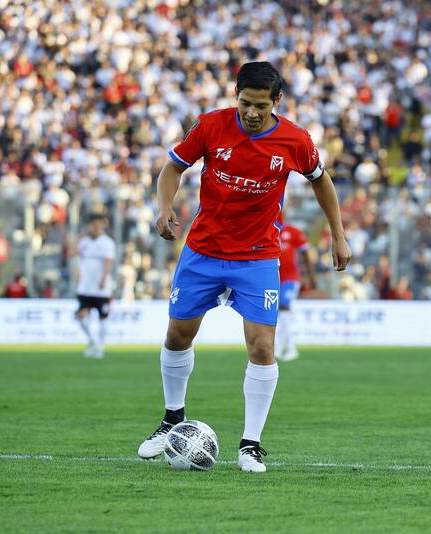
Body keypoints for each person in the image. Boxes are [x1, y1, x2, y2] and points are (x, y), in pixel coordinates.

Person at [137, 61, 352, 472]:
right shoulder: (210, 126)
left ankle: (250, 445)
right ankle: (172, 419)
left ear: (277, 101)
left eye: (260, 106)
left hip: (257, 256)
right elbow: (173, 168)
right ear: (236, 96)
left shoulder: (295, 140)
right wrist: (164, 207)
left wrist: (338, 234)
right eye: (245, 103)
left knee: (262, 347)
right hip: (203, 251)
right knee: (178, 336)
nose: (251, 113)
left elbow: (320, 180)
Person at [74, 212, 115, 359]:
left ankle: (100, 347)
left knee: (103, 318)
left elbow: (108, 262)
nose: (96, 227)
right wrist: (79, 237)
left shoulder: (107, 243)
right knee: (80, 316)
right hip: (85, 287)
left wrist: (103, 279)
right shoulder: (84, 242)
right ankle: (93, 341)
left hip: (101, 289)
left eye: (98, 225)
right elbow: (73, 254)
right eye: (93, 225)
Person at [275, 219, 317, 362]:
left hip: (290, 278)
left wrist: (311, 276)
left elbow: (305, 253)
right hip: (274, 278)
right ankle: (287, 348)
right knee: (279, 312)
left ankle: (284, 348)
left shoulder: (293, 232)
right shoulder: (267, 229)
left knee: (284, 306)